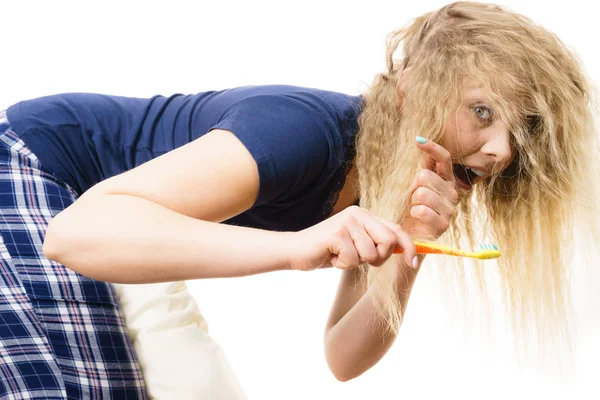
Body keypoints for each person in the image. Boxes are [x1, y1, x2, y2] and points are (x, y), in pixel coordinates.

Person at [0, 1, 597, 397]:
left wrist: (411, 251)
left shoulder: (394, 184)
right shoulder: (302, 133)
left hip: (123, 233)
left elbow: (343, 357)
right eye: (483, 112)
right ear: (414, 90)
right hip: (41, 172)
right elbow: (77, 234)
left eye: (524, 130)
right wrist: (295, 247)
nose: (500, 150)